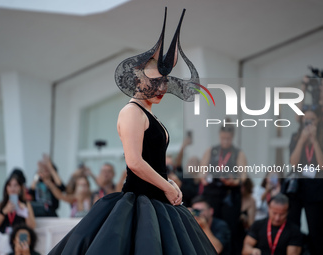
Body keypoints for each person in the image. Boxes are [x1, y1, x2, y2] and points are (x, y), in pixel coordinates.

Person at [48, 8, 218, 254]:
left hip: (159, 202)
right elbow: (135, 162)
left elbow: (152, 160)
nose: (161, 87)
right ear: (139, 81)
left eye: (164, 82)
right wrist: (168, 186)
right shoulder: (131, 112)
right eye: (155, 81)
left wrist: (168, 181)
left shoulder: (148, 114)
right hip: (139, 204)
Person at [200, 119, 247, 255]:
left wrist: (234, 181)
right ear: (219, 135)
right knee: (211, 225)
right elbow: (201, 171)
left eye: (228, 138)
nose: (225, 141)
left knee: (230, 229)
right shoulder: (212, 150)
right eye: (223, 138)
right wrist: (204, 177)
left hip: (229, 196)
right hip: (212, 194)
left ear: (232, 137)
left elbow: (243, 176)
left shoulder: (238, 153)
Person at [288, 105, 323, 255]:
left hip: (316, 189)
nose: (310, 123)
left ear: (318, 121)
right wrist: (303, 140)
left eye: (313, 120)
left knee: (317, 231)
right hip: (298, 188)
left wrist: (315, 141)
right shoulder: (296, 137)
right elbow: (293, 162)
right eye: (307, 120)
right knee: (293, 227)